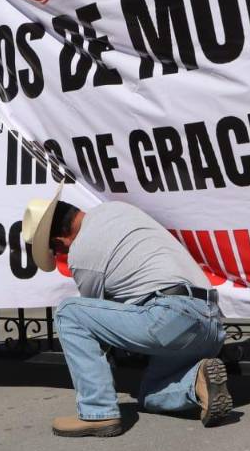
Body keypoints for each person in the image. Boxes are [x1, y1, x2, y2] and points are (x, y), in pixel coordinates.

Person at [22, 184, 232, 437]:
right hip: (209, 323)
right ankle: (197, 382)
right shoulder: (117, 210)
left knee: (69, 313)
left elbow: (95, 327)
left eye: (57, 251)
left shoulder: (82, 251)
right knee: (152, 394)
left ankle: (98, 412)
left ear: (59, 240)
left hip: (169, 318)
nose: (62, 255)